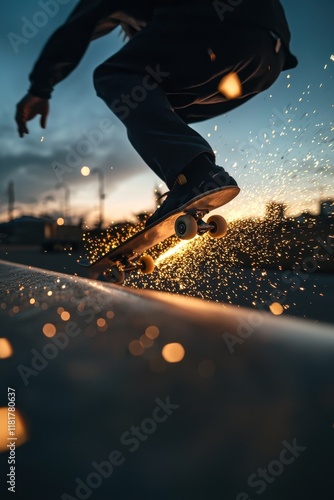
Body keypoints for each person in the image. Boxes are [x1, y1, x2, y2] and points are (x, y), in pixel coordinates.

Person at [15, 0, 297, 226]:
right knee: (154, 105)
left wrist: (41, 88)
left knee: (116, 78)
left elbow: (79, 26)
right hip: (267, 60)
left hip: (218, 30)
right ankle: (189, 186)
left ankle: (195, 173)